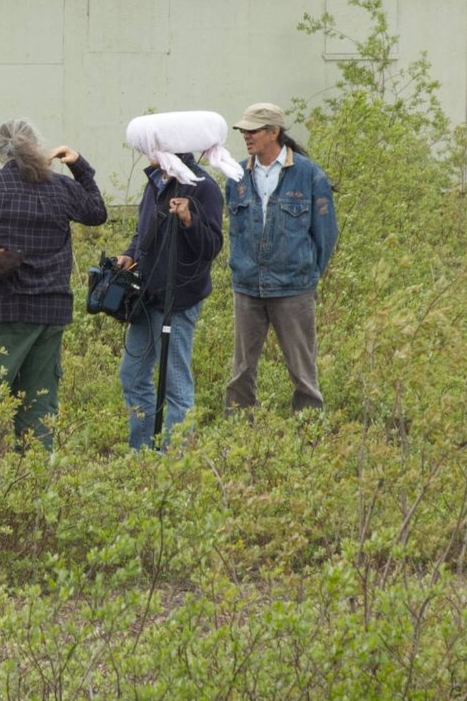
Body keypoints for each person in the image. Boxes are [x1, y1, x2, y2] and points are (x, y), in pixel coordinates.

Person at [0, 119, 108, 455]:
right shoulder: (60, 187)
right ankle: (34, 488)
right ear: (36, 145)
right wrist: (80, 166)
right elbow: (97, 212)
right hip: (51, 311)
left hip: (3, 308)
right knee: (38, 404)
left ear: (1, 151)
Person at [116, 111, 238, 449]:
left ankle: (175, 461)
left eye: (150, 148)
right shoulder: (156, 182)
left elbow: (211, 247)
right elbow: (144, 231)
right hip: (147, 295)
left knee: (176, 385)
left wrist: (188, 218)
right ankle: (141, 454)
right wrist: (130, 254)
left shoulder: (204, 189)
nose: (146, 154)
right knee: (132, 375)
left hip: (178, 299)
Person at [223, 103, 338, 412]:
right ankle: (236, 435)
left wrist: (308, 276)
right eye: (243, 130)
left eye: (253, 130)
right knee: (241, 371)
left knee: (304, 373)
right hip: (247, 287)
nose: (246, 135)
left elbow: (326, 235)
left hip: (294, 289)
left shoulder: (309, 175)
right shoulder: (235, 175)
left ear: (274, 132)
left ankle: (309, 434)